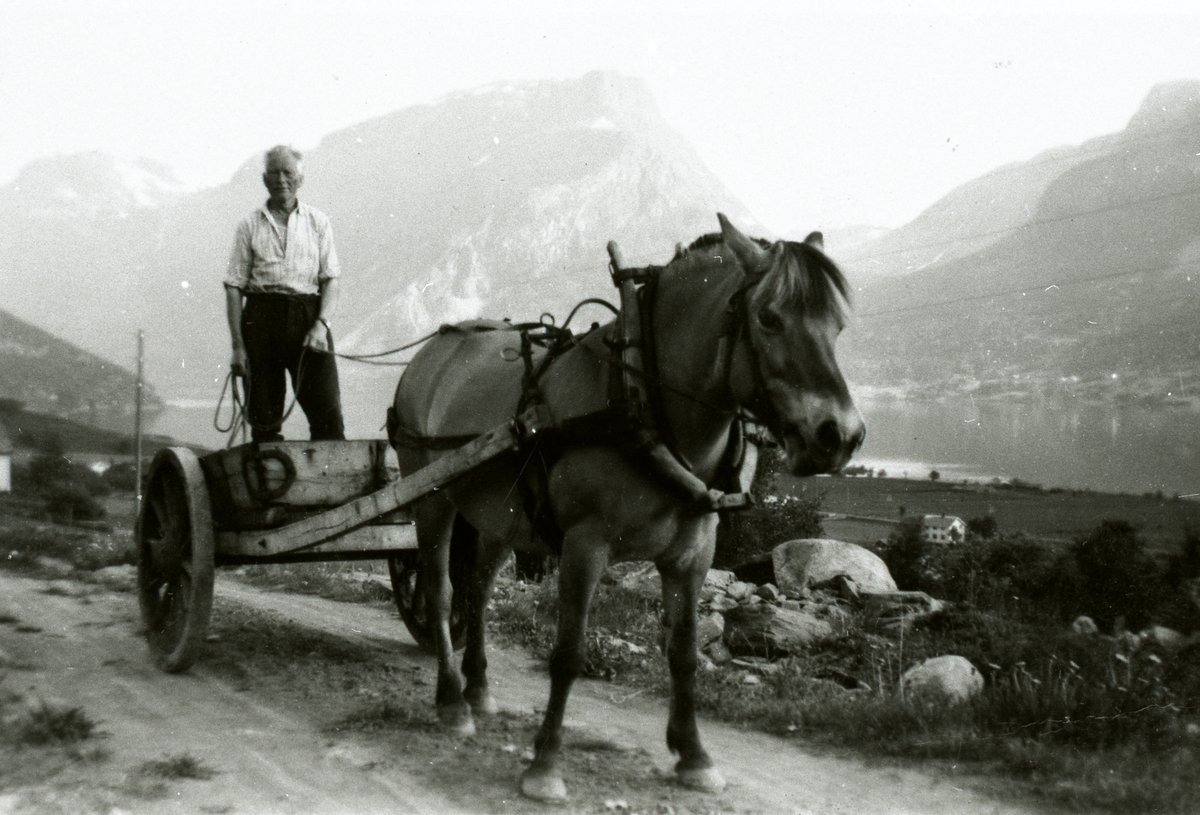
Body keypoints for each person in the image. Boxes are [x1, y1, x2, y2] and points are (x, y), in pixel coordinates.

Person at [224, 145, 345, 441]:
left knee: (328, 417)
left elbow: (331, 280)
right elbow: (233, 287)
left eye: (288, 172)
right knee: (264, 419)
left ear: (300, 179)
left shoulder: (318, 222)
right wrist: (238, 347)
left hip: (308, 319)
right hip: (260, 321)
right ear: (265, 179)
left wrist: (321, 325)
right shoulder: (249, 225)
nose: (281, 179)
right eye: (274, 173)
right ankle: (270, 481)